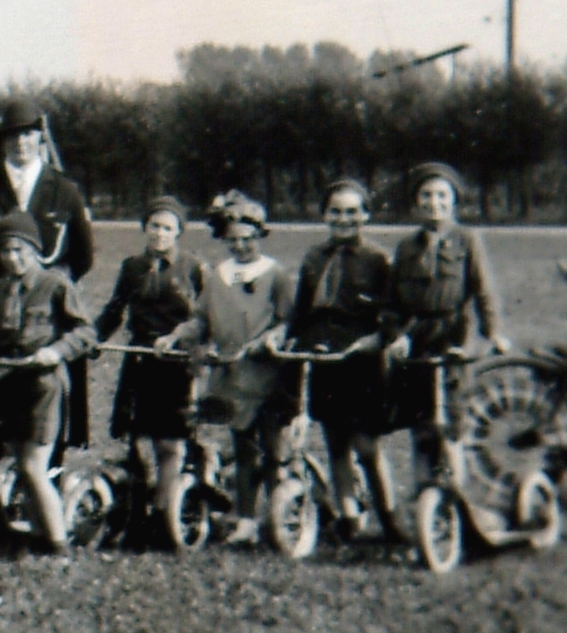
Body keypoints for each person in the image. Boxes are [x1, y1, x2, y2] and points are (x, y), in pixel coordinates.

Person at [0, 101, 98, 447]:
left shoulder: (64, 189)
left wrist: (50, 288)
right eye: (12, 136)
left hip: (47, 314)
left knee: (51, 412)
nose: (20, 143)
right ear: (2, 143)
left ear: (40, 138)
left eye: (27, 134)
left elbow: (82, 255)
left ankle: (53, 465)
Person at [159, 191, 293, 544]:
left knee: (272, 449)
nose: (241, 246)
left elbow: (287, 321)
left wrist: (271, 339)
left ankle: (277, 517)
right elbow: (201, 319)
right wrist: (176, 335)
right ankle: (246, 519)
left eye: (248, 239)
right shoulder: (219, 275)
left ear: (260, 236)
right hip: (232, 374)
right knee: (244, 447)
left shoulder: (276, 274)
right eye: (233, 240)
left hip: (268, 374)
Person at [0, 212, 95, 549]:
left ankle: (57, 544)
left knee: (32, 465)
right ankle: (35, 534)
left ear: (35, 250)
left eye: (19, 250)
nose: (13, 258)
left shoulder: (55, 285)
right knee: (13, 463)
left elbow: (85, 332)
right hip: (6, 385)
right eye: (5, 251)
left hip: (42, 385)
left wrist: (56, 351)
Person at [385, 161, 510, 491]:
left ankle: (456, 498)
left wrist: (492, 334)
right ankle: (423, 497)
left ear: (454, 199)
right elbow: (393, 303)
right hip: (417, 340)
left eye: (442, 195)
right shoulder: (406, 247)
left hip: (455, 336)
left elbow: (484, 291)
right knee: (420, 427)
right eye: (426, 195)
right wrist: (397, 337)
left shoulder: (468, 240)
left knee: (452, 425)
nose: (434, 203)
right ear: (416, 202)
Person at [288, 177, 398, 535]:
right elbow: (301, 311)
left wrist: (378, 340)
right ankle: (348, 515)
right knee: (336, 442)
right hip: (325, 361)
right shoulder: (314, 258)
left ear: (365, 215)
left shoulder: (378, 259)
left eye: (352, 212)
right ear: (324, 214)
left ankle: (389, 517)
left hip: (363, 364)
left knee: (366, 446)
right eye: (335, 211)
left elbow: (391, 314)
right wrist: (294, 339)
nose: (343, 219)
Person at [95, 196, 206, 527]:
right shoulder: (132, 267)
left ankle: (164, 513)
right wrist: (94, 338)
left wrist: (188, 345)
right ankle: (138, 510)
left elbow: (205, 317)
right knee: (138, 440)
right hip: (141, 361)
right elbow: (115, 309)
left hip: (177, 363)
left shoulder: (193, 267)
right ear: (145, 227)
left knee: (169, 442)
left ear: (179, 232)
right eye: (154, 226)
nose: (160, 233)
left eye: (168, 228)